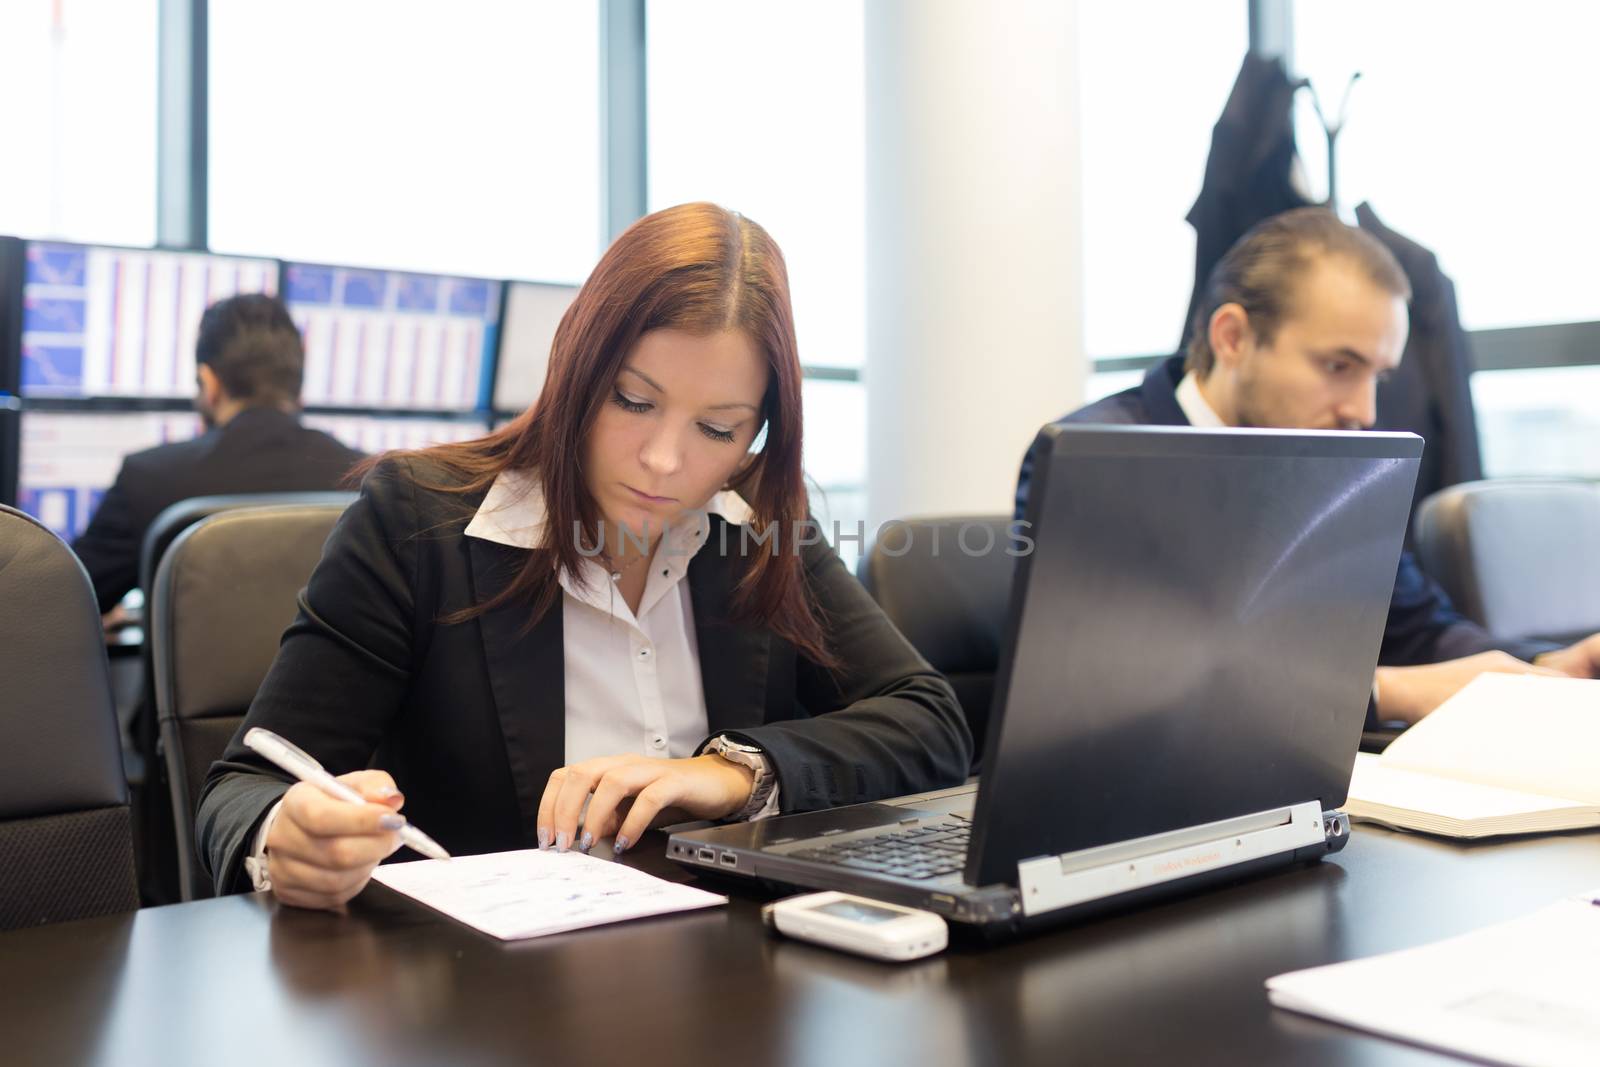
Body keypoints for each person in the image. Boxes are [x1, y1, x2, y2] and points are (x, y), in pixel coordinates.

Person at [196, 203, 972, 910]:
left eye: (718, 428)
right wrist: (283, 834)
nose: (665, 461)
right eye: (633, 401)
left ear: (756, 434)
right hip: (484, 998)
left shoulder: (754, 526)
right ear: (575, 363)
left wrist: (731, 771)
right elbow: (244, 787)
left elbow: (929, 721)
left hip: (729, 985)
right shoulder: (417, 521)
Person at [1015, 207, 1600, 725]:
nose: (1364, 411)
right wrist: (1385, 692)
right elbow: (1126, 688)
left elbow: (1418, 627)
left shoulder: (1340, 465)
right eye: (1339, 365)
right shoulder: (1095, 458)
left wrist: (1544, 667)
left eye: (1378, 375)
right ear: (1234, 337)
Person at [71, 293, 364, 614]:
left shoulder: (148, 477)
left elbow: (61, 601)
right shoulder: (368, 478)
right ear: (296, 385)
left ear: (209, 383)